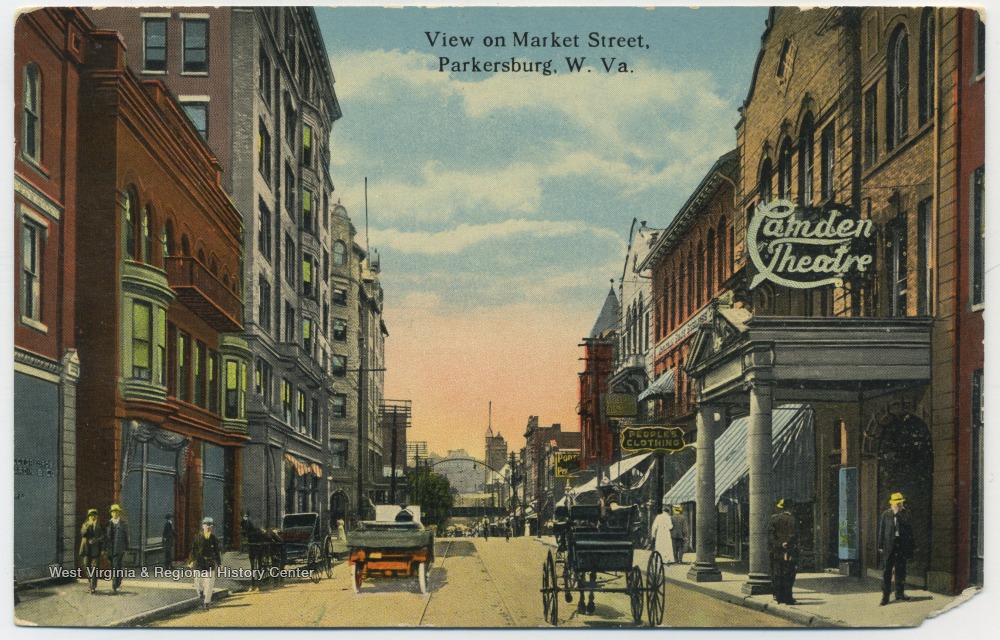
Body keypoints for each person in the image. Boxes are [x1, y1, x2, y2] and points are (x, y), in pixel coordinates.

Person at [878, 492, 914, 606]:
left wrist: (898, 514)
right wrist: (880, 546)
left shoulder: (906, 513)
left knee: (901, 570)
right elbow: (882, 531)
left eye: (900, 503)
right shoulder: (886, 514)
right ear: (892, 503)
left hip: (901, 545)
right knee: (887, 571)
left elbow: (909, 530)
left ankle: (899, 593)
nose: (898, 505)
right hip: (889, 546)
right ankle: (885, 596)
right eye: (896, 503)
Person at [768, 498, 799, 605]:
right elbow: (795, 536)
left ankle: (778, 596)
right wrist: (787, 543)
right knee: (789, 575)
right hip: (790, 552)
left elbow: (770, 537)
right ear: (791, 508)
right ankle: (788, 598)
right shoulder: (793, 520)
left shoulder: (774, 519)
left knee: (777, 574)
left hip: (777, 552)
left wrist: (779, 544)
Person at [189, 517, 223, 611]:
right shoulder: (198, 537)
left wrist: (219, 564)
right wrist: (191, 561)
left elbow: (217, 552)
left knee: (209, 584)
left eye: (210, 526)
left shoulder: (213, 538)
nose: (208, 527)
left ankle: (206, 602)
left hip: (209, 563)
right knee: (198, 582)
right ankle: (200, 593)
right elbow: (193, 550)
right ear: (203, 526)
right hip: (198, 563)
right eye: (207, 525)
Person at [105, 504, 129, 594]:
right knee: (115, 567)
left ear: (119, 513)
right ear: (111, 513)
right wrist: (105, 549)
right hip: (111, 550)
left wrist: (126, 548)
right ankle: (117, 584)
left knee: (117, 567)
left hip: (120, 549)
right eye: (113, 512)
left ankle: (115, 585)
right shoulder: (109, 523)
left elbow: (126, 536)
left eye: (116, 512)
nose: (115, 513)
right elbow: (106, 537)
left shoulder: (122, 524)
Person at [79, 508, 104, 594]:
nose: (92, 517)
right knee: (87, 567)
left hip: (95, 550)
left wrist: (96, 540)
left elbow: (102, 536)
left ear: (96, 517)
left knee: (94, 568)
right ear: (88, 517)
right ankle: (91, 584)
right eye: (91, 516)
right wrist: (89, 525)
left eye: (94, 516)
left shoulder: (99, 526)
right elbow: (83, 533)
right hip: (86, 549)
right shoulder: (85, 524)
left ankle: (92, 587)